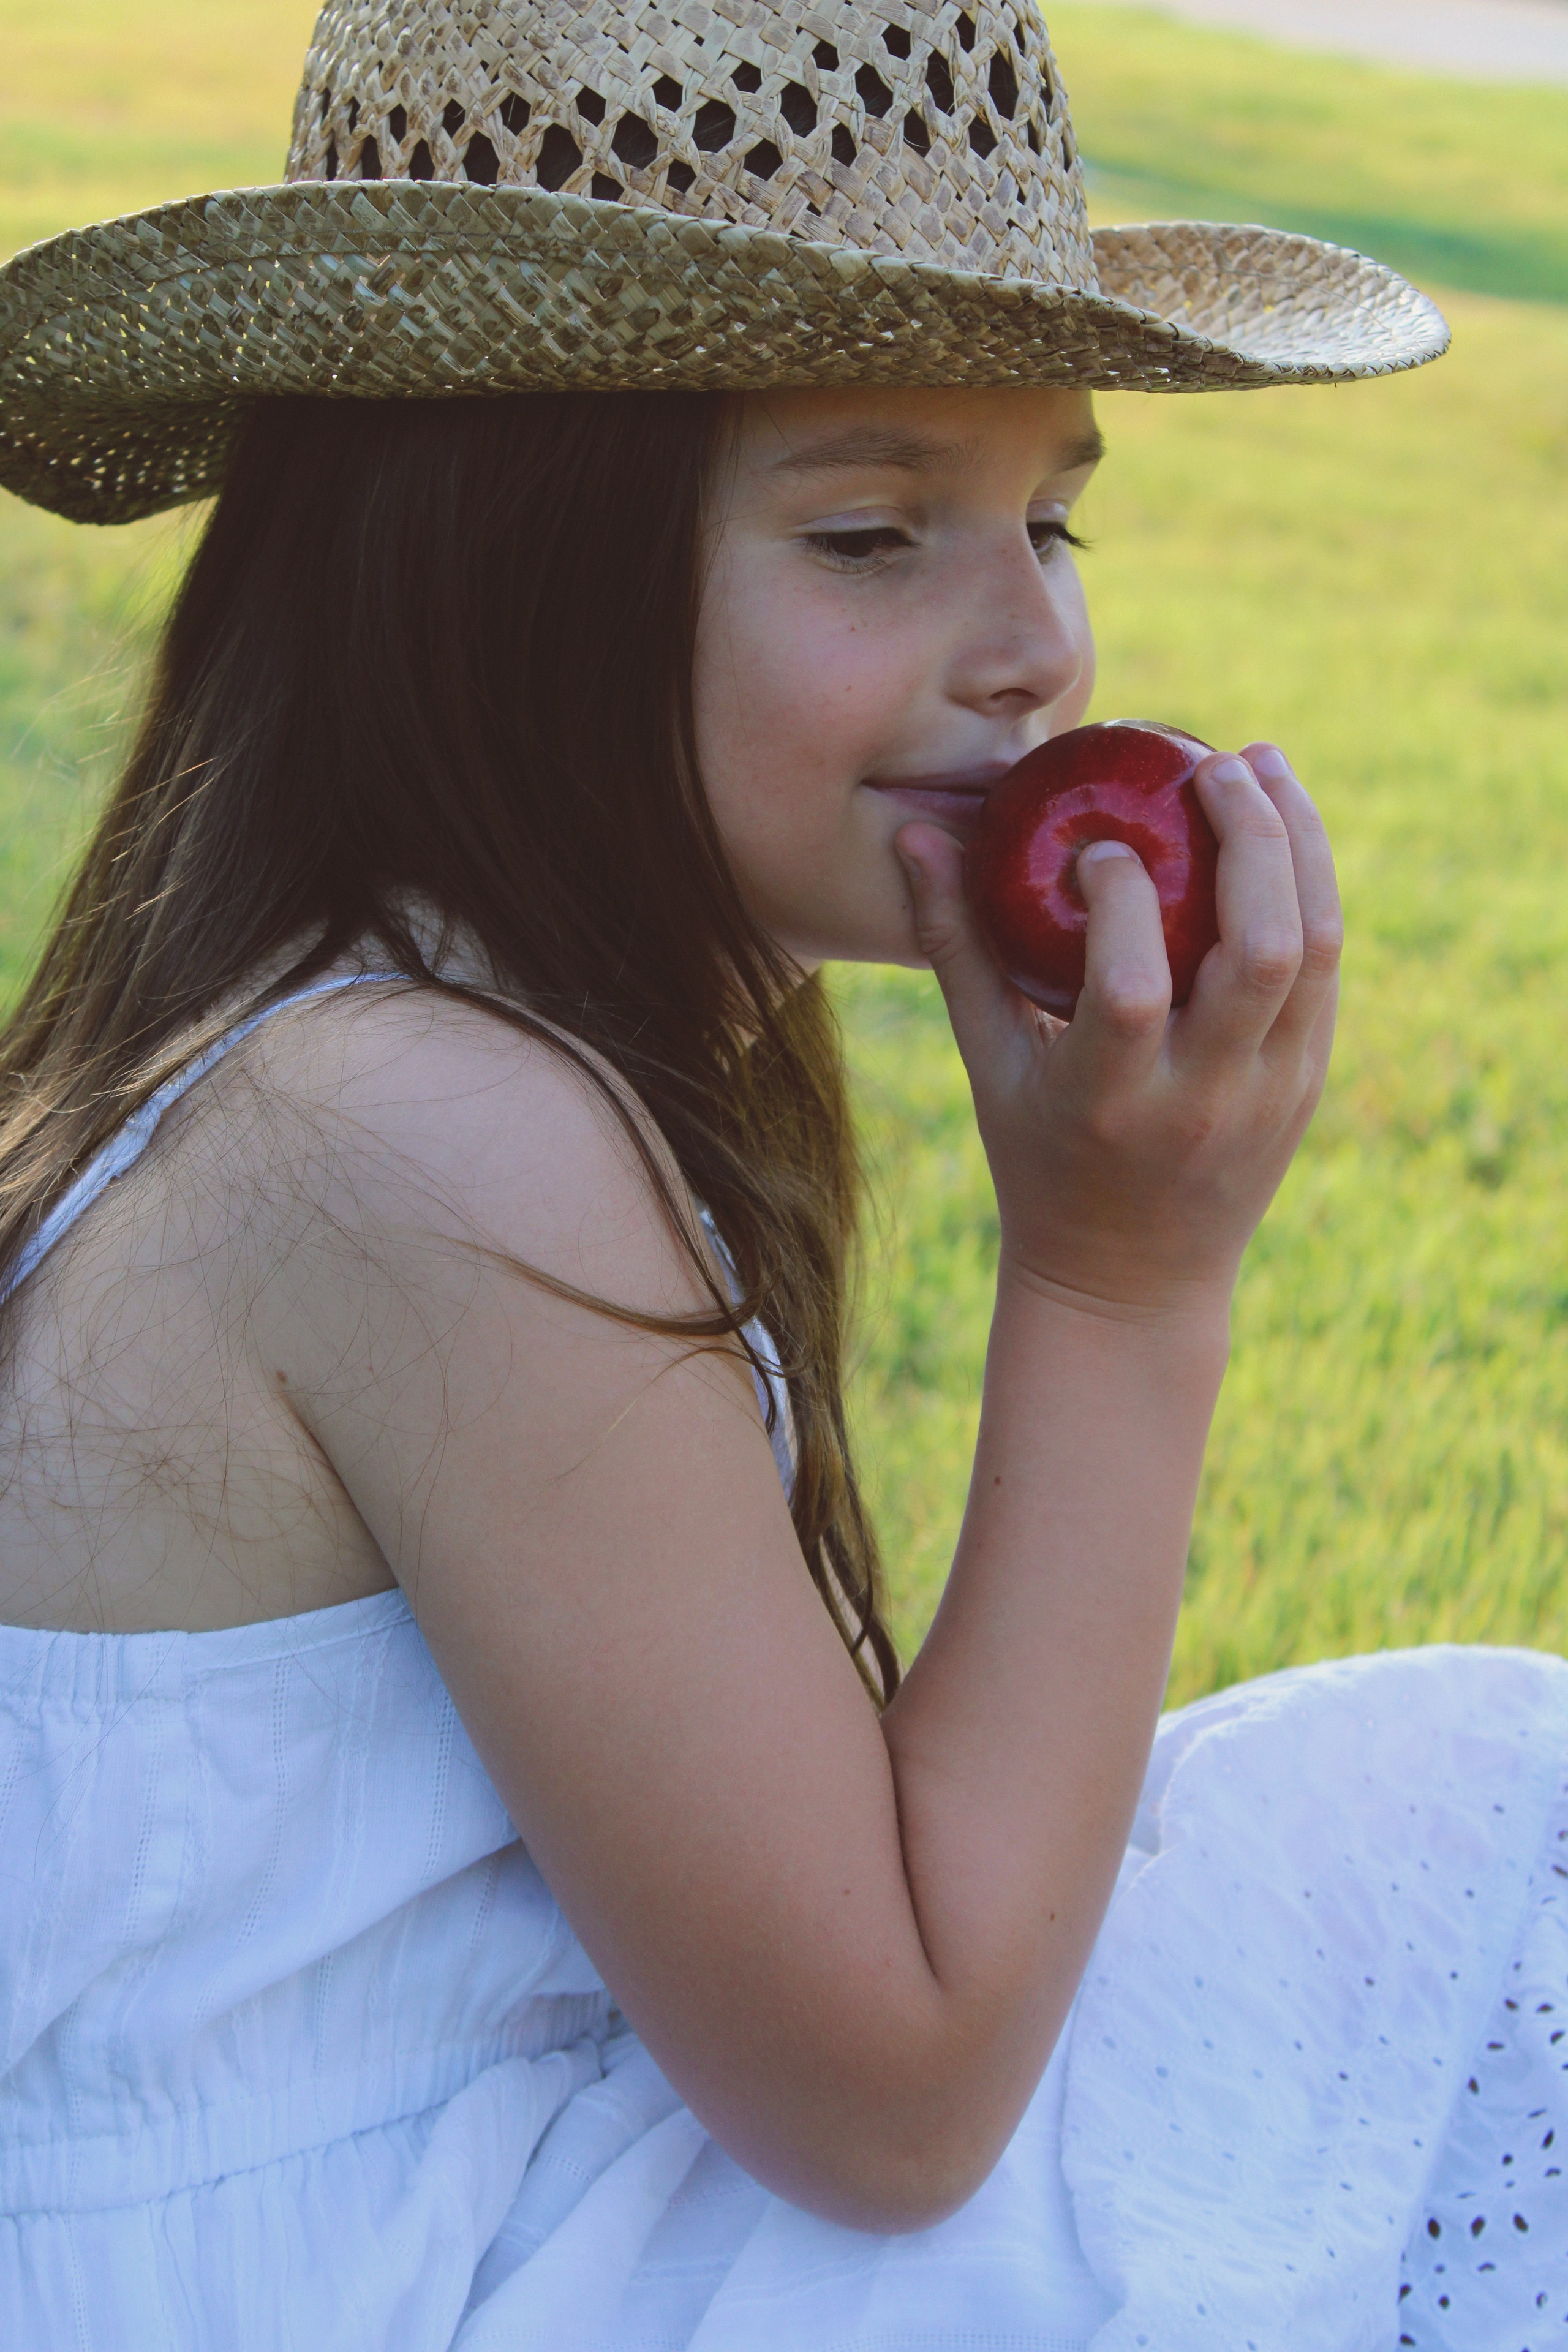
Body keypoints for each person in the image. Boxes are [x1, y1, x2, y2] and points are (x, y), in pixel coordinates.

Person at [0, 2, 1559, 2346]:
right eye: (872, 530)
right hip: (358, 2283)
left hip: (469, 2180)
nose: (1040, 645)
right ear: (497, 561)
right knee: (1504, 1825)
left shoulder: (416, 1047)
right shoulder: (434, 1145)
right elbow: (897, 2090)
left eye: (1049, 513)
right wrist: (1125, 1289)